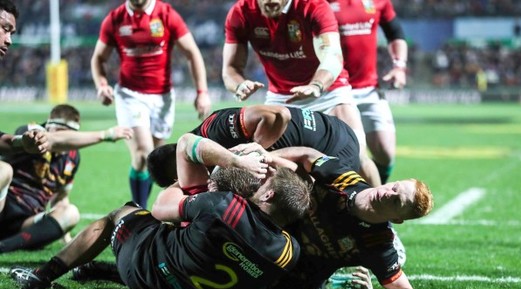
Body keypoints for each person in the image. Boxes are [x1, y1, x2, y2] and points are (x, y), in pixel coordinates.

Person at [10, 133, 312, 289]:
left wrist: (232, 163)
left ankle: (43, 275)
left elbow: (161, 206)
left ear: (269, 197)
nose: (263, 176)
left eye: (266, 180)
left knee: (124, 212)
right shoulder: (290, 252)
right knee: (194, 237)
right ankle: (99, 271)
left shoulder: (222, 205)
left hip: (147, 270)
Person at [222, 0, 380, 187]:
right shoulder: (241, 12)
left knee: (356, 158)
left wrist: (316, 85)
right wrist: (239, 85)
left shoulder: (313, 6)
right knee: (268, 165)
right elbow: (230, 68)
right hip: (281, 98)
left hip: (329, 93)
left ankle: (379, 213)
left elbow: (332, 56)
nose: (270, 2)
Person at [261, 146, 433, 289]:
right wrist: (267, 156)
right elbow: (309, 154)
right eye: (395, 187)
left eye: (396, 201)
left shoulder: (378, 243)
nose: (387, 193)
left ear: (396, 219)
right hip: (272, 227)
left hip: (293, 276)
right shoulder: (344, 180)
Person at [91, 0, 212, 209]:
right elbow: (98, 58)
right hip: (130, 95)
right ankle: (139, 212)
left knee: (153, 162)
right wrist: (102, 85)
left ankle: (140, 211)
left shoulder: (166, 15)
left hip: (163, 98)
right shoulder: (115, 19)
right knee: (142, 153)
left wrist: (202, 92)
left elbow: (192, 53)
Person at [0, 104, 133, 254]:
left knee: (71, 213)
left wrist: (64, 233)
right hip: (4, 205)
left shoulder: (73, 157)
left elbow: (60, 198)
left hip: (27, 222)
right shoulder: (31, 132)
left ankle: (5, 246)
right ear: (48, 126)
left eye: (71, 134)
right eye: (61, 132)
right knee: (4, 170)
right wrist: (106, 134)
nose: (67, 140)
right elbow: (55, 140)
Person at [147, 104, 363, 188]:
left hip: (332, 146)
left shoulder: (214, 130)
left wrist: (256, 151)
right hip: (332, 136)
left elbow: (278, 115)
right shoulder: (211, 152)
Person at [328, 0, 407, 184]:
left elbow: (395, 33)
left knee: (386, 153)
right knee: (354, 155)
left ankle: (374, 195)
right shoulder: (321, 3)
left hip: (370, 89)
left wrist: (399, 66)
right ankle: (361, 204)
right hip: (336, 91)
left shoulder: (379, 2)